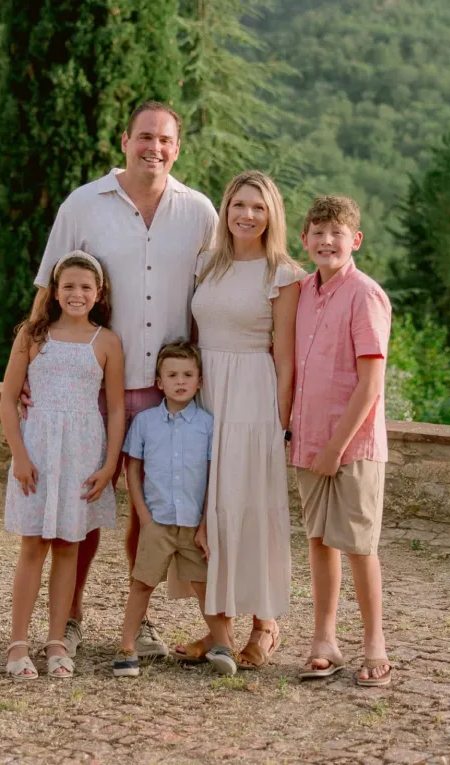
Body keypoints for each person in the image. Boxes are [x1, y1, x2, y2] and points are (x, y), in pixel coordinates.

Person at [28, 101, 217, 660]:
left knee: (149, 511)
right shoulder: (84, 204)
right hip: (91, 385)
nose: (153, 148)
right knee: (82, 503)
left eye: (164, 140)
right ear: (124, 140)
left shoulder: (200, 212)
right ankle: (70, 614)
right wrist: (26, 368)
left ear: (177, 148)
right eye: (144, 137)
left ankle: (141, 620)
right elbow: (47, 290)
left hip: (164, 392)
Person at [172, 170, 304, 670]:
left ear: (272, 215)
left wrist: (282, 423)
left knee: (250, 506)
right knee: (209, 505)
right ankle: (217, 623)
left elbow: (286, 357)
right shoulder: (207, 263)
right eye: (239, 205)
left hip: (253, 394)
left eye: (258, 207)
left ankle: (265, 624)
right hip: (206, 391)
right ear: (225, 210)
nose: (246, 215)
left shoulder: (283, 274)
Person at [0, 251, 126, 680]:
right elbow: (7, 398)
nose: (77, 294)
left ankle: (57, 642)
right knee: (33, 545)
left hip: (81, 455)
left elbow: (116, 408)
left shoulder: (106, 342)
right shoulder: (33, 336)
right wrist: (19, 455)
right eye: (68, 286)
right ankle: (18, 644)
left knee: (70, 546)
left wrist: (109, 465)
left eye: (85, 287)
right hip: (37, 453)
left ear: (98, 293)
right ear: (55, 291)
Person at [290, 196, 392, 687]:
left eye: (337, 233)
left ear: (355, 240)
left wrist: (335, 447)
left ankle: (375, 644)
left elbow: (371, 384)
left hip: (352, 447)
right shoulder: (304, 292)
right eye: (318, 232)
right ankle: (324, 640)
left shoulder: (365, 295)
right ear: (304, 239)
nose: (326, 241)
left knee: (358, 545)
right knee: (319, 542)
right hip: (308, 441)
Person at [113, 342, 235, 677]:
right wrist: (144, 516)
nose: (180, 381)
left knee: (203, 585)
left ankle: (223, 645)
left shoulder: (208, 425)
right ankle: (127, 646)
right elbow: (132, 469)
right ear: (159, 382)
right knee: (142, 582)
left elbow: (213, 476)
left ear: (199, 381)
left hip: (193, 524)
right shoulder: (145, 422)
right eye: (172, 375)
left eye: (188, 374)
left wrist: (205, 523)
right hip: (158, 522)